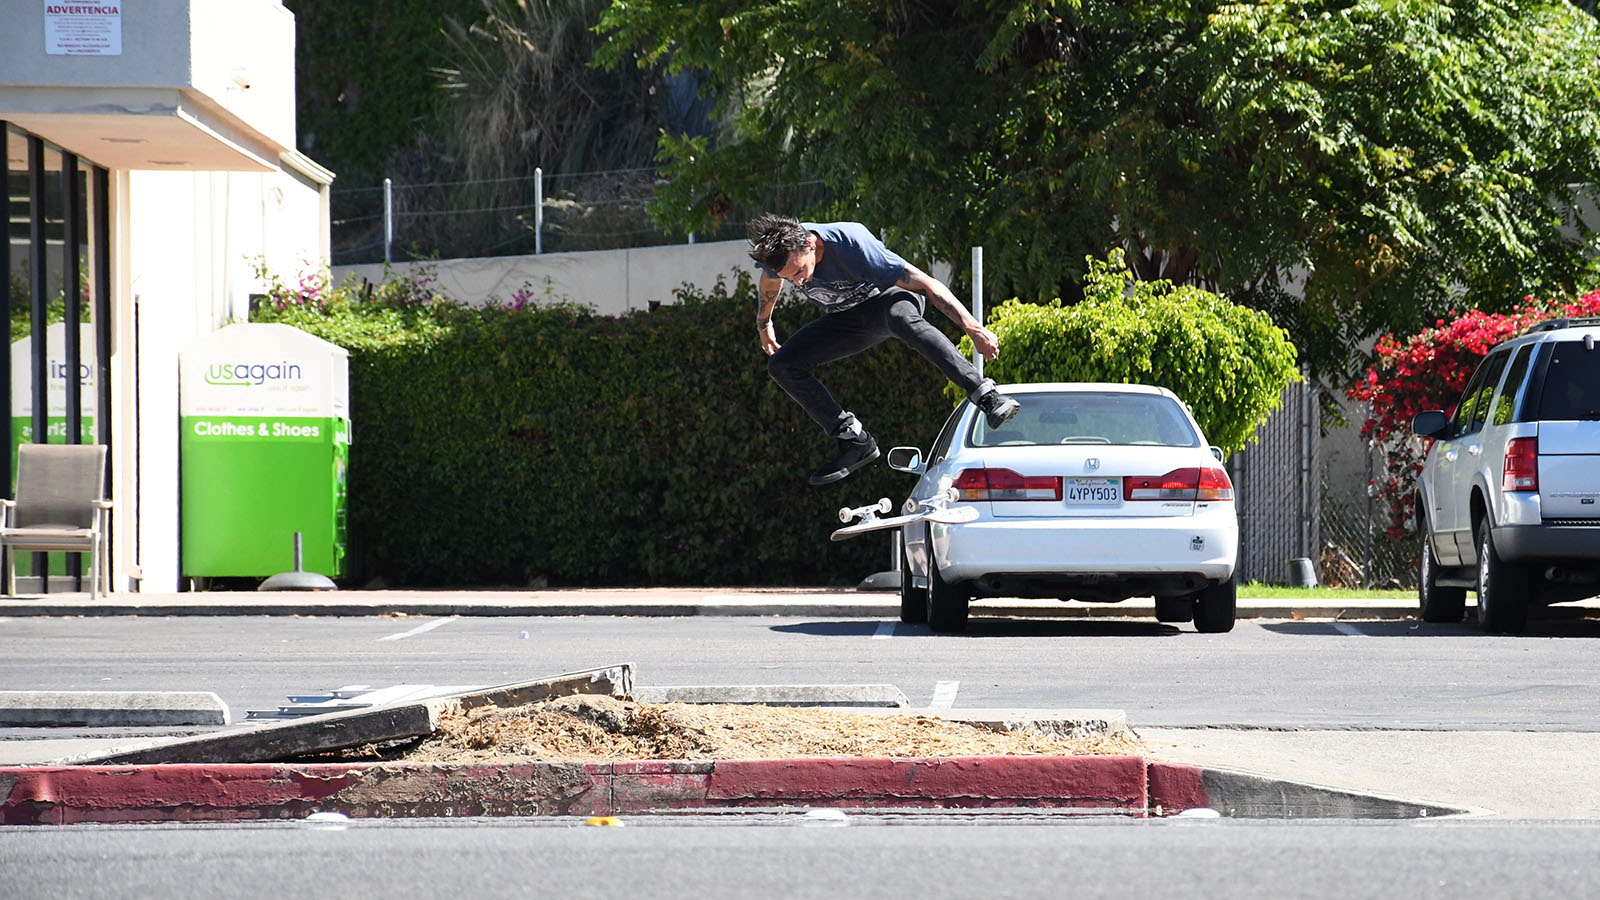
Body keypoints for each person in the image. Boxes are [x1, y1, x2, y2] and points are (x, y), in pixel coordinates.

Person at [748, 213, 1020, 485]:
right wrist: (764, 324)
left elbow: (925, 283)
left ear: (809, 243)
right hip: (849, 319)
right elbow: (770, 282)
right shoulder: (780, 255)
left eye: (799, 272)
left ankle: (987, 395)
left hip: (890, 299)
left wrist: (974, 330)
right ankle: (853, 440)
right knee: (782, 364)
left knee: (900, 318)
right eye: (790, 277)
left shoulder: (852, 246)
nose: (798, 282)